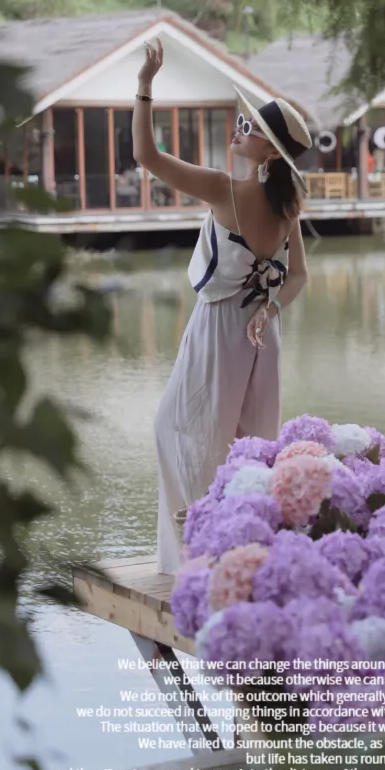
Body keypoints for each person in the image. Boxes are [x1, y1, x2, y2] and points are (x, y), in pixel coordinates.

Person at [132, 38, 311, 574]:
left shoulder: (224, 190)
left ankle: (197, 559)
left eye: (250, 128)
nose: (239, 128)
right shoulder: (286, 206)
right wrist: (270, 311)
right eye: (243, 121)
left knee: (184, 432)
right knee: (248, 445)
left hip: (217, 330)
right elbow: (298, 276)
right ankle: (240, 553)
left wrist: (144, 85)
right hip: (260, 335)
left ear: (269, 153)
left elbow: (145, 156)